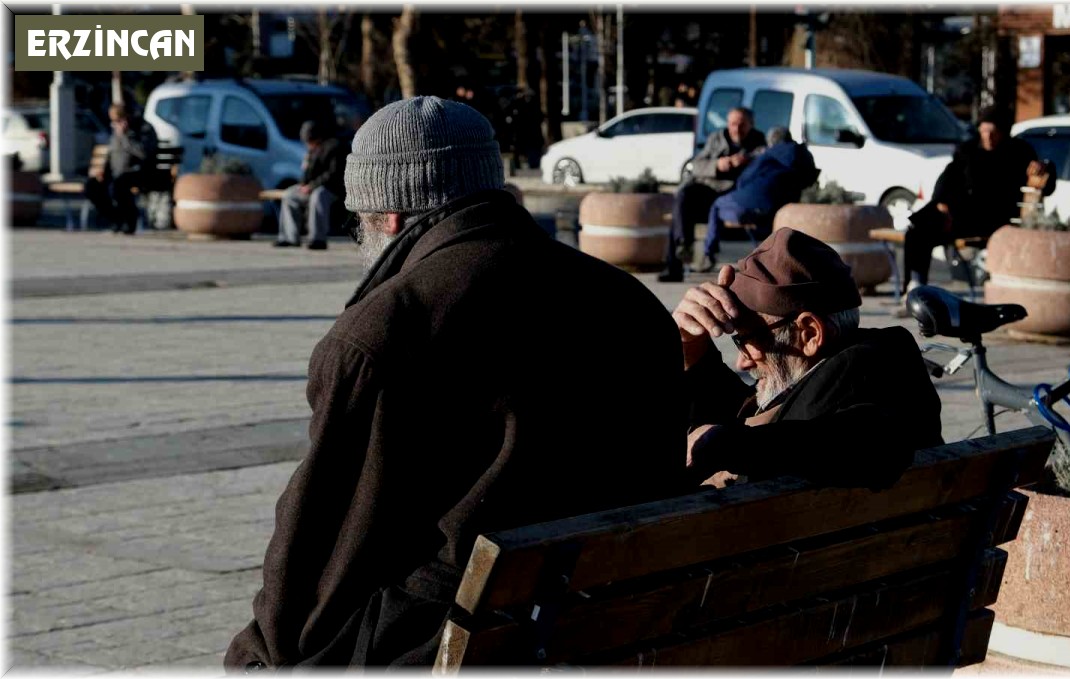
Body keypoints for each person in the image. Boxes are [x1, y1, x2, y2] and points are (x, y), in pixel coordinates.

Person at [225, 97, 688, 670]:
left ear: (388, 217)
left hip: (457, 650)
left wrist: (254, 658)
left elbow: (316, 560)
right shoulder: (631, 305)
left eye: (358, 220)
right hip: (613, 632)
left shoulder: (386, 333)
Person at [671, 228, 943, 489]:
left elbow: (855, 438)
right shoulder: (844, 377)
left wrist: (726, 446)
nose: (741, 362)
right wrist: (692, 351)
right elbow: (768, 420)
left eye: (747, 341)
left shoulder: (869, 387)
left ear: (810, 333)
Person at [902, 107, 1055, 291]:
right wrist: (941, 203)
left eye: (993, 132)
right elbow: (948, 177)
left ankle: (916, 287)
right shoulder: (968, 150)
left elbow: (1047, 182)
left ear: (1002, 132)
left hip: (991, 217)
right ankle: (914, 287)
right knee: (917, 229)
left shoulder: (1018, 151)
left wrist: (1044, 167)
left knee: (924, 228)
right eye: (984, 131)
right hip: (957, 212)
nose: (988, 137)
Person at [659, 107, 766, 282]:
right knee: (683, 198)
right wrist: (717, 164)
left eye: (742, 125)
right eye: (733, 124)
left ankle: (676, 261)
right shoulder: (716, 138)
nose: (736, 129)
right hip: (709, 190)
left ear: (750, 125)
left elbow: (764, 158)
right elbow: (696, 165)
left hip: (734, 196)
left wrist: (745, 161)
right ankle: (683, 246)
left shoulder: (758, 141)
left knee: (680, 213)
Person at [696, 127, 819, 272]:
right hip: (781, 207)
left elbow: (744, 179)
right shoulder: (804, 155)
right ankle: (766, 258)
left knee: (717, 206)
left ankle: (708, 254)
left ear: (772, 141)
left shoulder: (768, 153)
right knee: (763, 223)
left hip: (750, 203)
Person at [83, 103, 158, 235]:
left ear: (127, 117)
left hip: (139, 172)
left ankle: (129, 222)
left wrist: (126, 136)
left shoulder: (144, 128)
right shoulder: (116, 131)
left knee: (120, 185)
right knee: (92, 187)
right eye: (113, 121)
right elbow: (111, 153)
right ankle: (116, 219)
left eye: (118, 120)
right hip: (116, 172)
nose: (115, 124)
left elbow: (144, 153)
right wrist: (103, 171)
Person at [274, 120, 348, 250]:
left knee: (318, 196)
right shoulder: (312, 151)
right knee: (289, 195)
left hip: (333, 189)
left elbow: (333, 175)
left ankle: (317, 239)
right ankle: (289, 237)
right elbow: (306, 179)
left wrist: (311, 187)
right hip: (313, 188)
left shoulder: (334, 146)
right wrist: (306, 166)